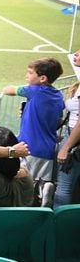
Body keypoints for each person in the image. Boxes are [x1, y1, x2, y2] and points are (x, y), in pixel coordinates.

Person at [1, 58, 64, 188]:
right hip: (48, 149)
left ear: (42, 78)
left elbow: (8, 90)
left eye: (30, 73)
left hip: (29, 147)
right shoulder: (58, 95)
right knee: (40, 184)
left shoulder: (33, 90)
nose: (26, 76)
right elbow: (57, 120)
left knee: (24, 185)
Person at [54, 79, 80, 208]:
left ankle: (59, 224)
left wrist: (66, 147)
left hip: (75, 141)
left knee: (64, 187)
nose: (75, 56)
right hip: (73, 137)